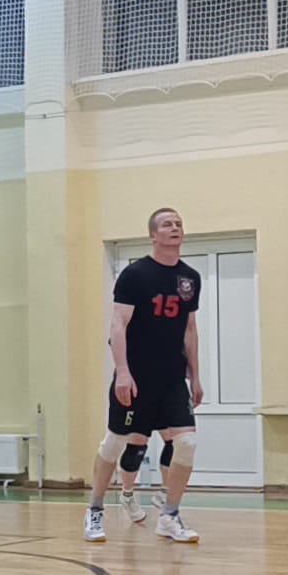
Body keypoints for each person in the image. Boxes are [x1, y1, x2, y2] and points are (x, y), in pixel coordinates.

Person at [85, 208, 202, 544]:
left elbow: (190, 330)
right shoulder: (135, 275)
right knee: (115, 443)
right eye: (167, 224)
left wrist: (195, 376)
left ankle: (169, 516)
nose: (175, 228)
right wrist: (123, 372)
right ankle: (95, 509)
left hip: (172, 379)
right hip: (136, 377)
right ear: (153, 234)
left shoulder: (190, 278)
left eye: (179, 223)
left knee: (187, 443)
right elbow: (118, 324)